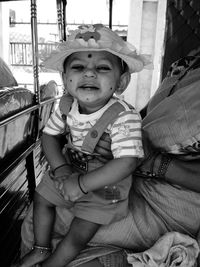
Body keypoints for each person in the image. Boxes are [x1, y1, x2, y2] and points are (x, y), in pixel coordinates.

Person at [14, 24, 151, 267]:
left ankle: (54, 263)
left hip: (107, 183)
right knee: (41, 197)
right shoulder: (67, 105)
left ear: (121, 82)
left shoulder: (124, 116)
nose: (89, 73)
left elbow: (127, 162)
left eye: (102, 68)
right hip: (71, 170)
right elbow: (48, 136)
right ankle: (41, 248)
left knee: (79, 232)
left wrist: (82, 184)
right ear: (65, 79)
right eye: (78, 67)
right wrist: (62, 170)